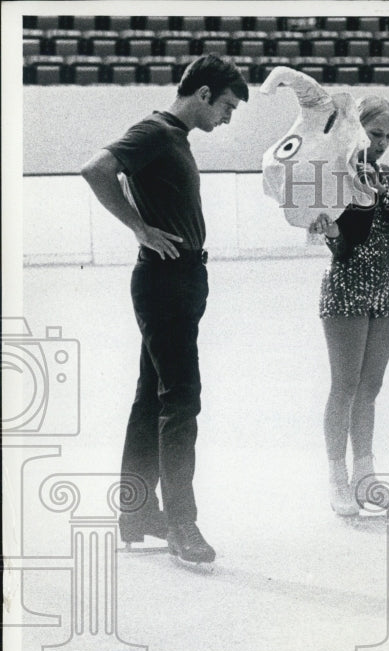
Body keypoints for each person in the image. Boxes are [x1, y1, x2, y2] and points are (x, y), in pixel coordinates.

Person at [81, 55, 248, 564]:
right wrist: (140, 228)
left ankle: (135, 514)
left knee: (152, 399)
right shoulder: (154, 132)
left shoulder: (173, 137)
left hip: (178, 279)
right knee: (181, 400)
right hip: (165, 281)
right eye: (225, 106)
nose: (227, 118)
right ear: (201, 94)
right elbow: (97, 169)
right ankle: (181, 523)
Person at [307, 96, 389, 517]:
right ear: (358, 130)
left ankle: (366, 477)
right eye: (376, 134)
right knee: (345, 386)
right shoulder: (338, 177)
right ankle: (337, 478)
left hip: (384, 292)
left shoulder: (387, 175)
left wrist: (385, 192)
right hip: (347, 290)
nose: (384, 143)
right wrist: (363, 194)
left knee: (370, 388)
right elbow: (344, 245)